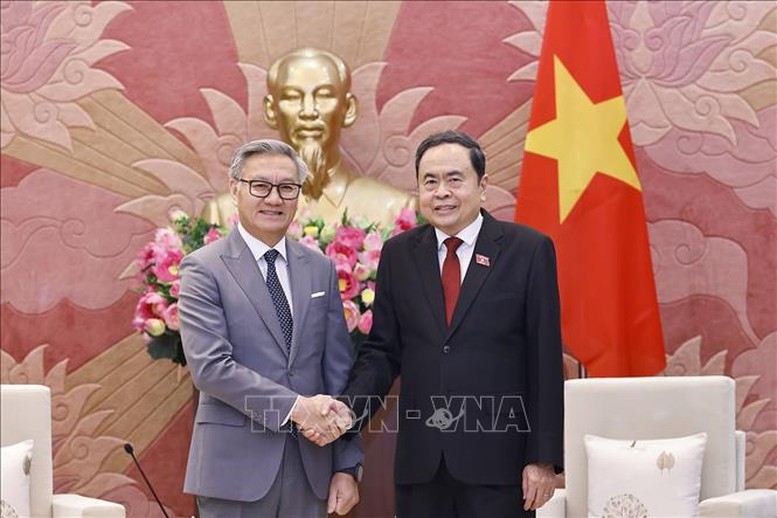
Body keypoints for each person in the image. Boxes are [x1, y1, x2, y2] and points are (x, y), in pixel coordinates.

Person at [324, 131, 564, 516]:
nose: (442, 193)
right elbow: (382, 353)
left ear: (482, 185)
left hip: (500, 468)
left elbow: (545, 359)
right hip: (422, 469)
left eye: (455, 179)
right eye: (430, 182)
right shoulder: (399, 254)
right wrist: (347, 413)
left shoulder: (528, 250)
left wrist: (543, 458)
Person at [179, 139, 362, 517]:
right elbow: (210, 368)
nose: (274, 198)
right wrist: (297, 408)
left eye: (287, 187)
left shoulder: (320, 268)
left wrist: (346, 466)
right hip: (234, 473)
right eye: (260, 186)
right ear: (235, 190)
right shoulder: (203, 268)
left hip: (311, 469)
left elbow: (338, 373)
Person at [264, 47, 416, 225]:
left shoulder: (396, 210)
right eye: (292, 97)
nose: (308, 111)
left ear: (348, 109)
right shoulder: (236, 211)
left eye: (324, 96)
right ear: (271, 111)